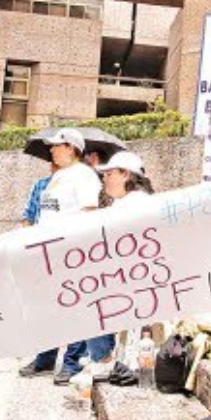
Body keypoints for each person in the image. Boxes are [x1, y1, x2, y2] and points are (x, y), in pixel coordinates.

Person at [17, 128, 115, 385]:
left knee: (75, 308)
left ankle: (72, 363)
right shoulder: (58, 177)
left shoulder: (84, 176)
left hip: (69, 252)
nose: (51, 150)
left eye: (56, 145)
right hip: (48, 251)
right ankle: (45, 359)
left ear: (71, 147)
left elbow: (89, 213)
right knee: (49, 307)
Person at [64, 151, 154, 383]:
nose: (104, 178)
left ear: (125, 175)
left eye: (109, 173)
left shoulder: (138, 202)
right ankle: (103, 356)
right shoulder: (123, 202)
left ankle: (103, 359)